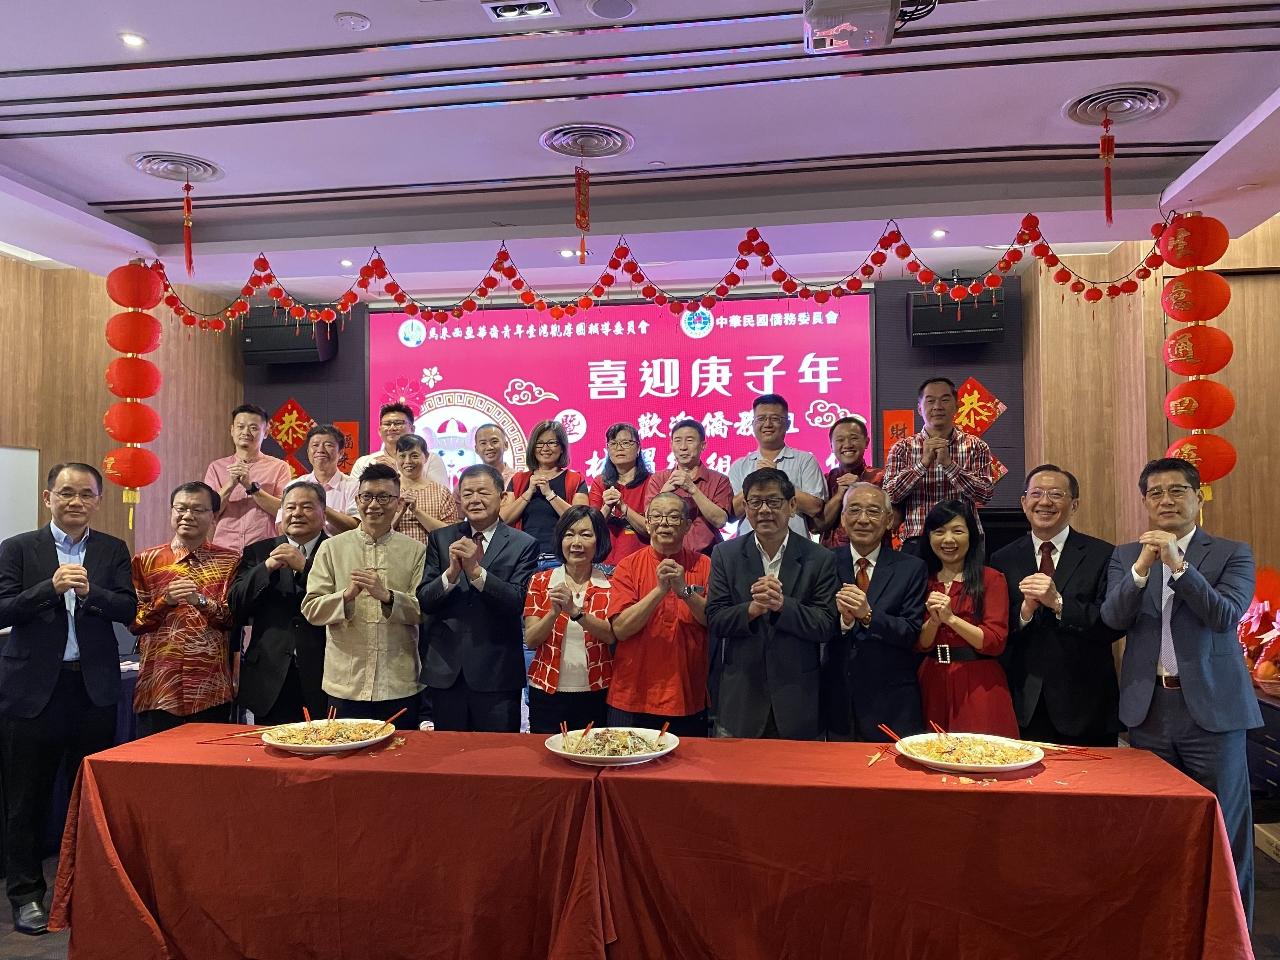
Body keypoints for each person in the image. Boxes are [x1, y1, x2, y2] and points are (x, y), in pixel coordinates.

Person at [1101, 458, 1259, 927]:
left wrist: (1179, 564)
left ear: (1198, 496)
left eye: (1176, 491)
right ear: (1145, 501)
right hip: (1148, 709)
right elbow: (1112, 618)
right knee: (1158, 828)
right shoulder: (1128, 552)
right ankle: (1167, 927)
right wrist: (1142, 569)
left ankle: (1233, 935)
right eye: (1155, 493)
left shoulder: (1232, 552)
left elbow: (1225, 615)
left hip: (1213, 712)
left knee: (1225, 830)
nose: (1165, 500)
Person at [0, 463, 136, 937]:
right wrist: (48, 589)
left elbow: (128, 608)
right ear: (47, 497)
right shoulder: (18, 548)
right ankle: (25, 895)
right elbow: (2, 607)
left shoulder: (112, 549)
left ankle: (83, 887)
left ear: (98, 500)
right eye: (66, 493)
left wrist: (91, 591)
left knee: (88, 797)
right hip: (32, 690)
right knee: (26, 798)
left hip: (93, 688)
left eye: (85, 494)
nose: (75, 501)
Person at [990, 465, 1123, 747]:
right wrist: (1025, 612)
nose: (1045, 502)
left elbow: (1111, 624)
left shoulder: (1104, 554)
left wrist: (1058, 603)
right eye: (1036, 493)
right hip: (1023, 703)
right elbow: (997, 629)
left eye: (1056, 494)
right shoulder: (1003, 558)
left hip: (1086, 704)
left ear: (1074, 504)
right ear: (1024, 502)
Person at [706, 469, 839, 739]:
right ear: (745, 507)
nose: (764, 510)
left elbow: (826, 625)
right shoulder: (725, 554)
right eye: (755, 502)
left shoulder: (820, 557)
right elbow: (715, 619)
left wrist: (782, 605)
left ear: (791, 506)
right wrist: (752, 609)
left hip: (797, 699)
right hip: (741, 696)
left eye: (774, 501)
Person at [301, 464, 425, 730]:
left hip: (399, 682)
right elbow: (311, 609)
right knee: (347, 763)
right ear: (356, 500)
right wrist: (345, 596)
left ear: (398, 502)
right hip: (345, 683)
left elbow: (424, 611)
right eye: (366, 496)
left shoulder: (415, 551)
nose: (373, 505)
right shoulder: (331, 548)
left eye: (384, 497)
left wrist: (388, 596)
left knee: (401, 759)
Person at [419, 464, 539, 732]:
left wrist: (475, 572)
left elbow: (516, 601)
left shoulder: (523, 544)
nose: (475, 499)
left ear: (502, 496)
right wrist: (451, 574)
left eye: (483, 492)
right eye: (468, 493)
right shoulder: (441, 538)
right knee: (449, 760)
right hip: (446, 672)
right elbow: (425, 600)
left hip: (497, 672)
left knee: (495, 761)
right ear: (458, 499)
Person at [130, 482, 240, 737]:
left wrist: (200, 601)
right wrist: (164, 601)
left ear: (213, 516)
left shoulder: (230, 561)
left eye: (198, 510)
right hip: (157, 687)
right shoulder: (146, 561)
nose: (188, 515)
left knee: (207, 772)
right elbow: (135, 623)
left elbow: (232, 620)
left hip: (210, 689)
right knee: (155, 768)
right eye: (181, 508)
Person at [824, 483, 928, 742]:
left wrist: (868, 615)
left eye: (873, 511)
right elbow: (816, 622)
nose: (863, 519)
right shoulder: (823, 562)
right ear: (843, 519)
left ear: (889, 520)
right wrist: (844, 622)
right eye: (854, 510)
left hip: (892, 701)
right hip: (837, 699)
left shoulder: (911, 568)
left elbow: (910, 632)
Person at [606, 494, 711, 737]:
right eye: (657, 516)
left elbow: (712, 619)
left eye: (674, 517)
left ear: (686, 526)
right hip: (632, 695)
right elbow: (621, 629)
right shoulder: (627, 566)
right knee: (626, 773)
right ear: (648, 523)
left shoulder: (704, 564)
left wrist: (683, 589)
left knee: (686, 773)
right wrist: (660, 590)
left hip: (686, 694)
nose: (664, 523)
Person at [229, 480, 330, 725]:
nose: (296, 513)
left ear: (323, 514)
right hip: (269, 674)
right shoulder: (258, 551)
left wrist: (305, 568)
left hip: (324, 674)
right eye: (290, 507)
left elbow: (342, 603)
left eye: (306, 507)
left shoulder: (336, 550)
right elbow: (236, 603)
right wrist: (266, 568)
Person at [915, 500, 1016, 737]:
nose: (948, 539)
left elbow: (994, 641)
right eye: (939, 532)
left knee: (981, 760)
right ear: (929, 538)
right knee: (930, 758)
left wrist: (951, 619)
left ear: (971, 536)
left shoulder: (991, 578)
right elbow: (919, 643)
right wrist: (934, 621)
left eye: (957, 531)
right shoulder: (921, 579)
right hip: (931, 678)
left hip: (979, 682)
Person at [524, 507, 614, 734]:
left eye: (586, 534)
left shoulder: (611, 583)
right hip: (546, 691)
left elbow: (612, 635)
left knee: (591, 759)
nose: (576, 542)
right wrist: (554, 613)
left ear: (599, 540)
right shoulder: (541, 580)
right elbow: (532, 640)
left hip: (598, 690)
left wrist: (576, 612)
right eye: (569, 534)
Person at [882, 378, 994, 553]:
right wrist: (922, 464)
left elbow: (985, 494)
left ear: (957, 406)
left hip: (964, 537)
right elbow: (889, 495)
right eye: (930, 400)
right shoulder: (902, 448)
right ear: (920, 408)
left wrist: (950, 466)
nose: (937, 406)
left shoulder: (976, 446)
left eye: (945, 400)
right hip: (918, 538)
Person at [728, 394, 825, 538]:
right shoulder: (739, 466)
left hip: (795, 549)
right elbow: (733, 513)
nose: (767, 424)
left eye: (775, 419)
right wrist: (755, 481)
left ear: (788, 424)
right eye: (761, 419)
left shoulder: (805, 460)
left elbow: (815, 507)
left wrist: (778, 478)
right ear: (753, 424)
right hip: (747, 552)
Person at [203, 403, 293, 553]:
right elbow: (209, 512)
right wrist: (231, 484)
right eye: (240, 426)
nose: (246, 432)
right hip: (224, 549)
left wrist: (251, 487)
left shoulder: (279, 467)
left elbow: (282, 510)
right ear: (232, 430)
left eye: (253, 428)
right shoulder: (216, 467)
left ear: (265, 432)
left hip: (264, 551)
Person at [501, 419, 588, 562]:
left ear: (562, 448)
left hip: (562, 558)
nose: (545, 448)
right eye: (540, 443)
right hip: (525, 558)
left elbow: (581, 520)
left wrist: (549, 494)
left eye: (552, 443)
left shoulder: (575, 479)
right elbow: (504, 519)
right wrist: (528, 493)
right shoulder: (518, 480)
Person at [644, 419, 732, 557]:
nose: (683, 447)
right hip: (665, 556)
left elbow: (720, 520)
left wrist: (693, 489)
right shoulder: (659, 479)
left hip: (708, 556)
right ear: (671, 445)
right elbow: (648, 521)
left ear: (703, 445)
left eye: (690, 440)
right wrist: (664, 493)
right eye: (677, 441)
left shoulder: (719, 480)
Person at [269, 424, 359, 535]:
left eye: (328, 445)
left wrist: (320, 506)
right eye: (315, 445)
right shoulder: (294, 485)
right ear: (308, 452)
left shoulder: (354, 486)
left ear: (341, 453)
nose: (320, 450)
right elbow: (282, 526)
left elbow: (357, 527)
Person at [811, 416, 885, 549]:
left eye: (854, 438)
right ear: (831, 446)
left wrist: (860, 488)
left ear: (867, 442)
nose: (847, 444)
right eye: (840, 440)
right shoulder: (824, 480)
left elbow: (890, 521)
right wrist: (839, 495)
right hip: (830, 558)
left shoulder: (881, 477)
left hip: (872, 556)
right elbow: (816, 527)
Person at [587, 421, 650, 566]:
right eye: (613, 443)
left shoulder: (651, 482)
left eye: (626, 443)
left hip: (641, 563)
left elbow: (652, 529)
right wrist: (607, 507)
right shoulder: (599, 482)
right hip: (604, 563)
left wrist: (623, 507)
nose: (619, 448)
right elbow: (590, 530)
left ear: (638, 448)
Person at [351, 402, 449, 487]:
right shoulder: (364, 462)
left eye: (398, 423)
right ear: (379, 431)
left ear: (412, 429)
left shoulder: (429, 459)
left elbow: (439, 496)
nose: (392, 428)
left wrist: (396, 474)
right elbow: (355, 500)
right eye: (387, 424)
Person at [393, 434, 459, 544]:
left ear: (426, 457)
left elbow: (450, 534)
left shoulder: (441, 492)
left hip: (432, 559)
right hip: (396, 558)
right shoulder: (389, 492)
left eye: (414, 456)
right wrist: (400, 512)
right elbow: (379, 532)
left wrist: (416, 511)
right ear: (396, 457)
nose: (408, 461)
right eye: (402, 456)